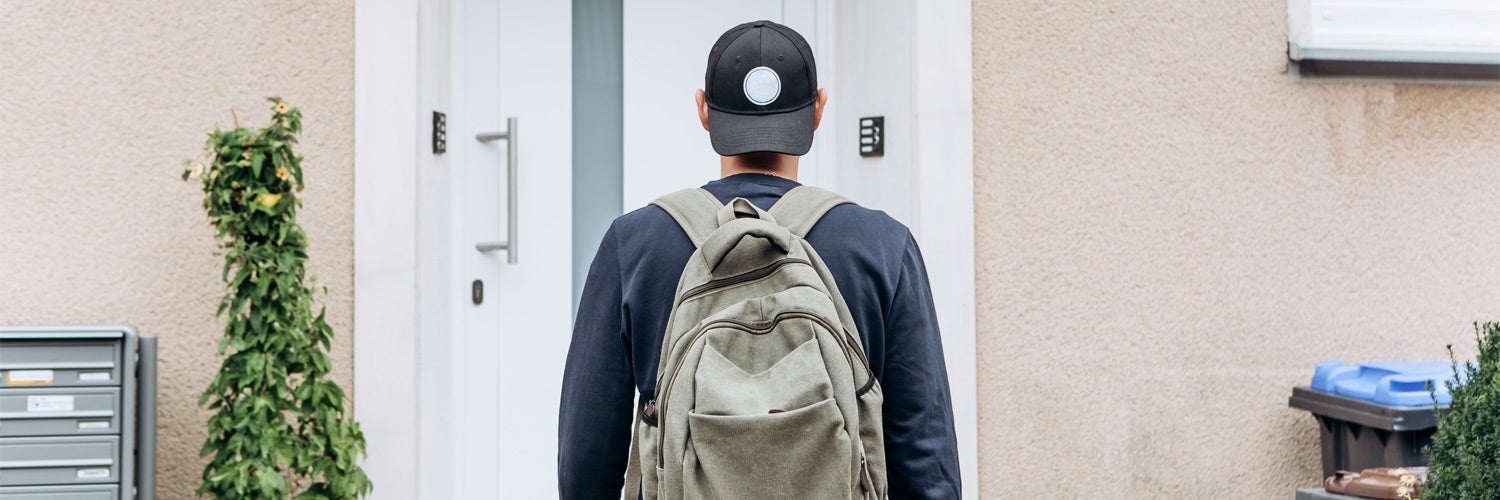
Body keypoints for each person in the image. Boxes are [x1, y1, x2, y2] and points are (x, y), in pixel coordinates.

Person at [558, 20, 961, 499]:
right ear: (818, 110)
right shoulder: (884, 246)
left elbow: (585, 461)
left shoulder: (634, 244)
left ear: (704, 111)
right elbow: (927, 461)